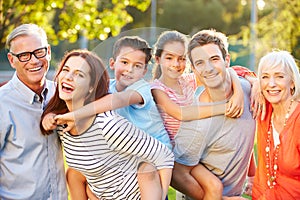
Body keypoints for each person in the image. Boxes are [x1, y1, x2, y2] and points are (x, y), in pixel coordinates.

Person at [42, 36, 172, 199]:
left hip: (150, 164)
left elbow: (115, 101)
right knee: (73, 173)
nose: (68, 77)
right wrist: (51, 115)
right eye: (65, 70)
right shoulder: (63, 123)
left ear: (91, 88)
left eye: (79, 74)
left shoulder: (134, 96)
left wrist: (162, 194)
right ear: (113, 63)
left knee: (146, 170)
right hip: (114, 178)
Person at [151, 30, 257, 199]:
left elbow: (226, 72)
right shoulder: (157, 90)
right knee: (214, 188)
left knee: (215, 185)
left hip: (194, 157)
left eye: (181, 59)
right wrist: (225, 107)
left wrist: (244, 86)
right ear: (157, 60)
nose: (175, 64)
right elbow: (181, 113)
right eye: (169, 58)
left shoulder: (188, 81)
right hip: (174, 158)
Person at [0, 24, 67, 199]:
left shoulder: (62, 94)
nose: (34, 61)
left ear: (49, 52)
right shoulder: (2, 104)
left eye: (39, 52)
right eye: (23, 55)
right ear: (11, 60)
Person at [252, 50, 300, 199]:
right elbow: (232, 72)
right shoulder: (263, 111)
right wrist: (252, 81)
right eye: (265, 77)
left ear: (292, 82)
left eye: (279, 76)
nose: (271, 84)